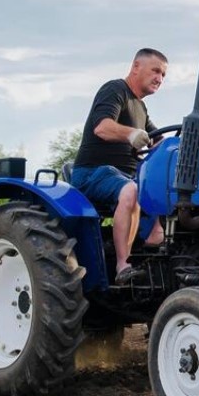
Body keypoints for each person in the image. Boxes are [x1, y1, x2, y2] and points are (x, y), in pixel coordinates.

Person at [71, 48, 168, 285]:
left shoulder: (140, 107)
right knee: (132, 190)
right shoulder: (115, 90)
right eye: (156, 71)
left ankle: (157, 241)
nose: (159, 78)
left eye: (163, 75)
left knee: (167, 189)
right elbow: (102, 127)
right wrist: (131, 133)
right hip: (94, 173)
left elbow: (158, 139)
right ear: (136, 67)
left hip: (125, 176)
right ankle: (123, 265)